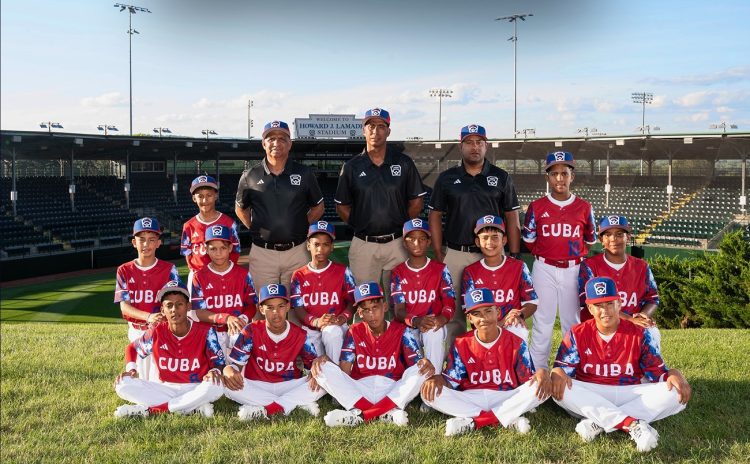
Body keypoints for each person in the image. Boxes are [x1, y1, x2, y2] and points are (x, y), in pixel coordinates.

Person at [551, 277, 691, 453]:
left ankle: (598, 422)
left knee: (675, 393)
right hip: (593, 392)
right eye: (598, 305)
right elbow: (562, 372)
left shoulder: (640, 332)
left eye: (609, 303)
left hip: (629, 392)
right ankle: (632, 424)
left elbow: (658, 373)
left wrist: (673, 373)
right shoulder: (577, 333)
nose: (605, 311)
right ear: (590, 308)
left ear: (619, 303)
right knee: (560, 390)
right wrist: (556, 371)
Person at [428, 124, 521, 344]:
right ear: (461, 146)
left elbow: (511, 216)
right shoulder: (447, 178)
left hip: (490, 255)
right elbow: (435, 215)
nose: (475, 147)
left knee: (493, 311)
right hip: (457, 252)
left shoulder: (501, 177)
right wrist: (439, 251)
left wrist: (514, 254)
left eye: (479, 142)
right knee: (456, 314)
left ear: (486, 146)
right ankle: (457, 364)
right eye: (469, 142)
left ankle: (499, 360)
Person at [420, 288, 550, 437]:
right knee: (428, 393)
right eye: (476, 314)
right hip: (471, 397)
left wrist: (541, 373)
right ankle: (508, 417)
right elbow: (452, 381)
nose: (483, 318)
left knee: (541, 389)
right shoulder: (461, 342)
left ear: (498, 312)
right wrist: (438, 379)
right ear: (470, 318)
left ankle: (472, 422)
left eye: (488, 311)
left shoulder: (516, 342)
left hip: (505, 395)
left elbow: (527, 380)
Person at [312, 282, 436, 427]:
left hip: (392, 389)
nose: (371, 314)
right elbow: (344, 371)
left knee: (422, 369)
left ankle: (361, 415)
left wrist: (424, 364)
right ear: (360, 313)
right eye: (366, 310)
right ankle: (386, 413)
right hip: (361, 389)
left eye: (375, 307)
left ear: (384, 307)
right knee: (322, 366)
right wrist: (327, 362)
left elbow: (416, 366)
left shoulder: (402, 330)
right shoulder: (355, 330)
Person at [235, 121, 325, 314]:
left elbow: (318, 207)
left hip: (297, 251)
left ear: (290, 143)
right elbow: (240, 209)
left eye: (282, 138)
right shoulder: (250, 175)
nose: (277, 142)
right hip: (263, 253)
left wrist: (300, 225)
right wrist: (255, 228)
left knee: (298, 309)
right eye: (271, 138)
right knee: (262, 308)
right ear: (264, 143)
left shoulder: (304, 173)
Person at [335, 108, 426, 296]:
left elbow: (417, 202)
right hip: (364, 244)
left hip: (398, 243)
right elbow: (342, 206)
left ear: (388, 131)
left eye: (381, 126)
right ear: (363, 130)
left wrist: (399, 224)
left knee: (401, 303)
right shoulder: (351, 166)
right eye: (370, 126)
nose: (375, 131)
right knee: (364, 302)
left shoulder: (403, 163)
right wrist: (361, 225)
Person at [522, 151, 597, 370]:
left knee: (572, 324)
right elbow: (529, 240)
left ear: (572, 176)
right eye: (554, 174)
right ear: (548, 178)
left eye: (564, 173)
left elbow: (590, 240)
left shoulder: (584, 207)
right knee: (541, 323)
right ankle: (537, 376)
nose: (559, 178)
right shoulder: (537, 207)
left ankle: (570, 373)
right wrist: (548, 252)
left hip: (573, 269)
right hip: (544, 266)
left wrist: (569, 254)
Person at [113, 281, 225, 418]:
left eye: (179, 304)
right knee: (122, 384)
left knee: (216, 386)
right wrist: (131, 370)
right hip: (164, 388)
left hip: (195, 386)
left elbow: (219, 362)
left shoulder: (206, 331)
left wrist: (214, 371)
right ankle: (192, 407)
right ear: (162, 310)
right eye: (169, 305)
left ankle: (151, 410)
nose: (174, 309)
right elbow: (132, 348)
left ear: (188, 306)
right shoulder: (157, 331)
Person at [222, 283, 325, 420]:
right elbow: (236, 366)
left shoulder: (300, 334)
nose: (276, 312)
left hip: (289, 385)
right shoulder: (251, 330)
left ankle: (266, 408)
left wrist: (321, 364)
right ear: (261, 309)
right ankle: (295, 403)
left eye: (281, 306)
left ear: (288, 306)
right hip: (257, 385)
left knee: (325, 376)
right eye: (270, 307)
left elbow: (313, 368)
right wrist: (228, 370)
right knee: (225, 383)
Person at [578, 215, 661, 347]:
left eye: (619, 234)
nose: (613, 239)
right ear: (601, 239)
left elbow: (653, 299)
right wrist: (629, 319)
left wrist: (643, 316)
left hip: (633, 323)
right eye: (608, 235)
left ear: (627, 237)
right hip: (600, 325)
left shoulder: (642, 266)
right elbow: (588, 305)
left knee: (652, 333)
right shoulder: (589, 266)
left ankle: (650, 368)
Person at [114, 217, 181, 380]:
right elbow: (124, 306)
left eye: (152, 239)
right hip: (137, 331)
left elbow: (178, 302)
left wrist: (162, 317)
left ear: (158, 243)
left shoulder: (169, 269)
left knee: (161, 381)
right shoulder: (124, 270)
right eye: (141, 239)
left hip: (162, 332)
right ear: (134, 242)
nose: (146, 244)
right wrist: (149, 316)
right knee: (140, 382)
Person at [390, 218, 455, 373]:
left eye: (422, 239)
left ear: (429, 242)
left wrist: (442, 318)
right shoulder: (398, 272)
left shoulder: (441, 269)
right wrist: (416, 321)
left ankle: (434, 379)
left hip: (433, 323)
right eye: (411, 239)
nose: (417, 244)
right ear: (405, 243)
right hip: (408, 325)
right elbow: (399, 311)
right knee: (409, 367)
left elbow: (449, 302)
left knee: (433, 332)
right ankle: (416, 381)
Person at [462, 215, 538, 341]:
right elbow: (469, 310)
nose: (490, 242)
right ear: (477, 242)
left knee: (517, 327)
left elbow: (532, 302)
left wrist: (520, 314)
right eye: (485, 238)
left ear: (504, 240)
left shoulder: (518, 266)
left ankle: (517, 360)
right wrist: (499, 323)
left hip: (511, 323)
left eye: (495, 237)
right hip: (483, 327)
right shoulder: (470, 271)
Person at [290, 220, 356, 365]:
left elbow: (353, 302)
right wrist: (317, 321)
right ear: (308, 245)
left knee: (332, 332)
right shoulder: (299, 275)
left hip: (336, 326)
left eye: (325, 244)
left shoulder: (343, 271)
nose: (320, 249)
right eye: (316, 244)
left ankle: (339, 378)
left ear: (332, 247)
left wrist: (342, 318)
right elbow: (298, 309)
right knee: (317, 373)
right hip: (310, 328)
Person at [189, 224, 258, 355]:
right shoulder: (199, 276)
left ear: (230, 248)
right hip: (211, 335)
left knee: (237, 373)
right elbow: (199, 312)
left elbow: (251, 306)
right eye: (213, 248)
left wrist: (241, 319)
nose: (218, 253)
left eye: (223, 248)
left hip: (236, 332)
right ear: (206, 249)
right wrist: (225, 318)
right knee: (215, 373)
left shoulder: (243, 274)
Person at [181, 175, 241, 291]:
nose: (205, 200)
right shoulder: (188, 225)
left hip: (223, 276)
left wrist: (225, 273)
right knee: (197, 309)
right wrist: (195, 271)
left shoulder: (229, 223)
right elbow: (187, 253)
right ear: (194, 198)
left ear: (216, 196)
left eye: (209, 195)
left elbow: (235, 252)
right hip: (197, 278)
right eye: (200, 196)